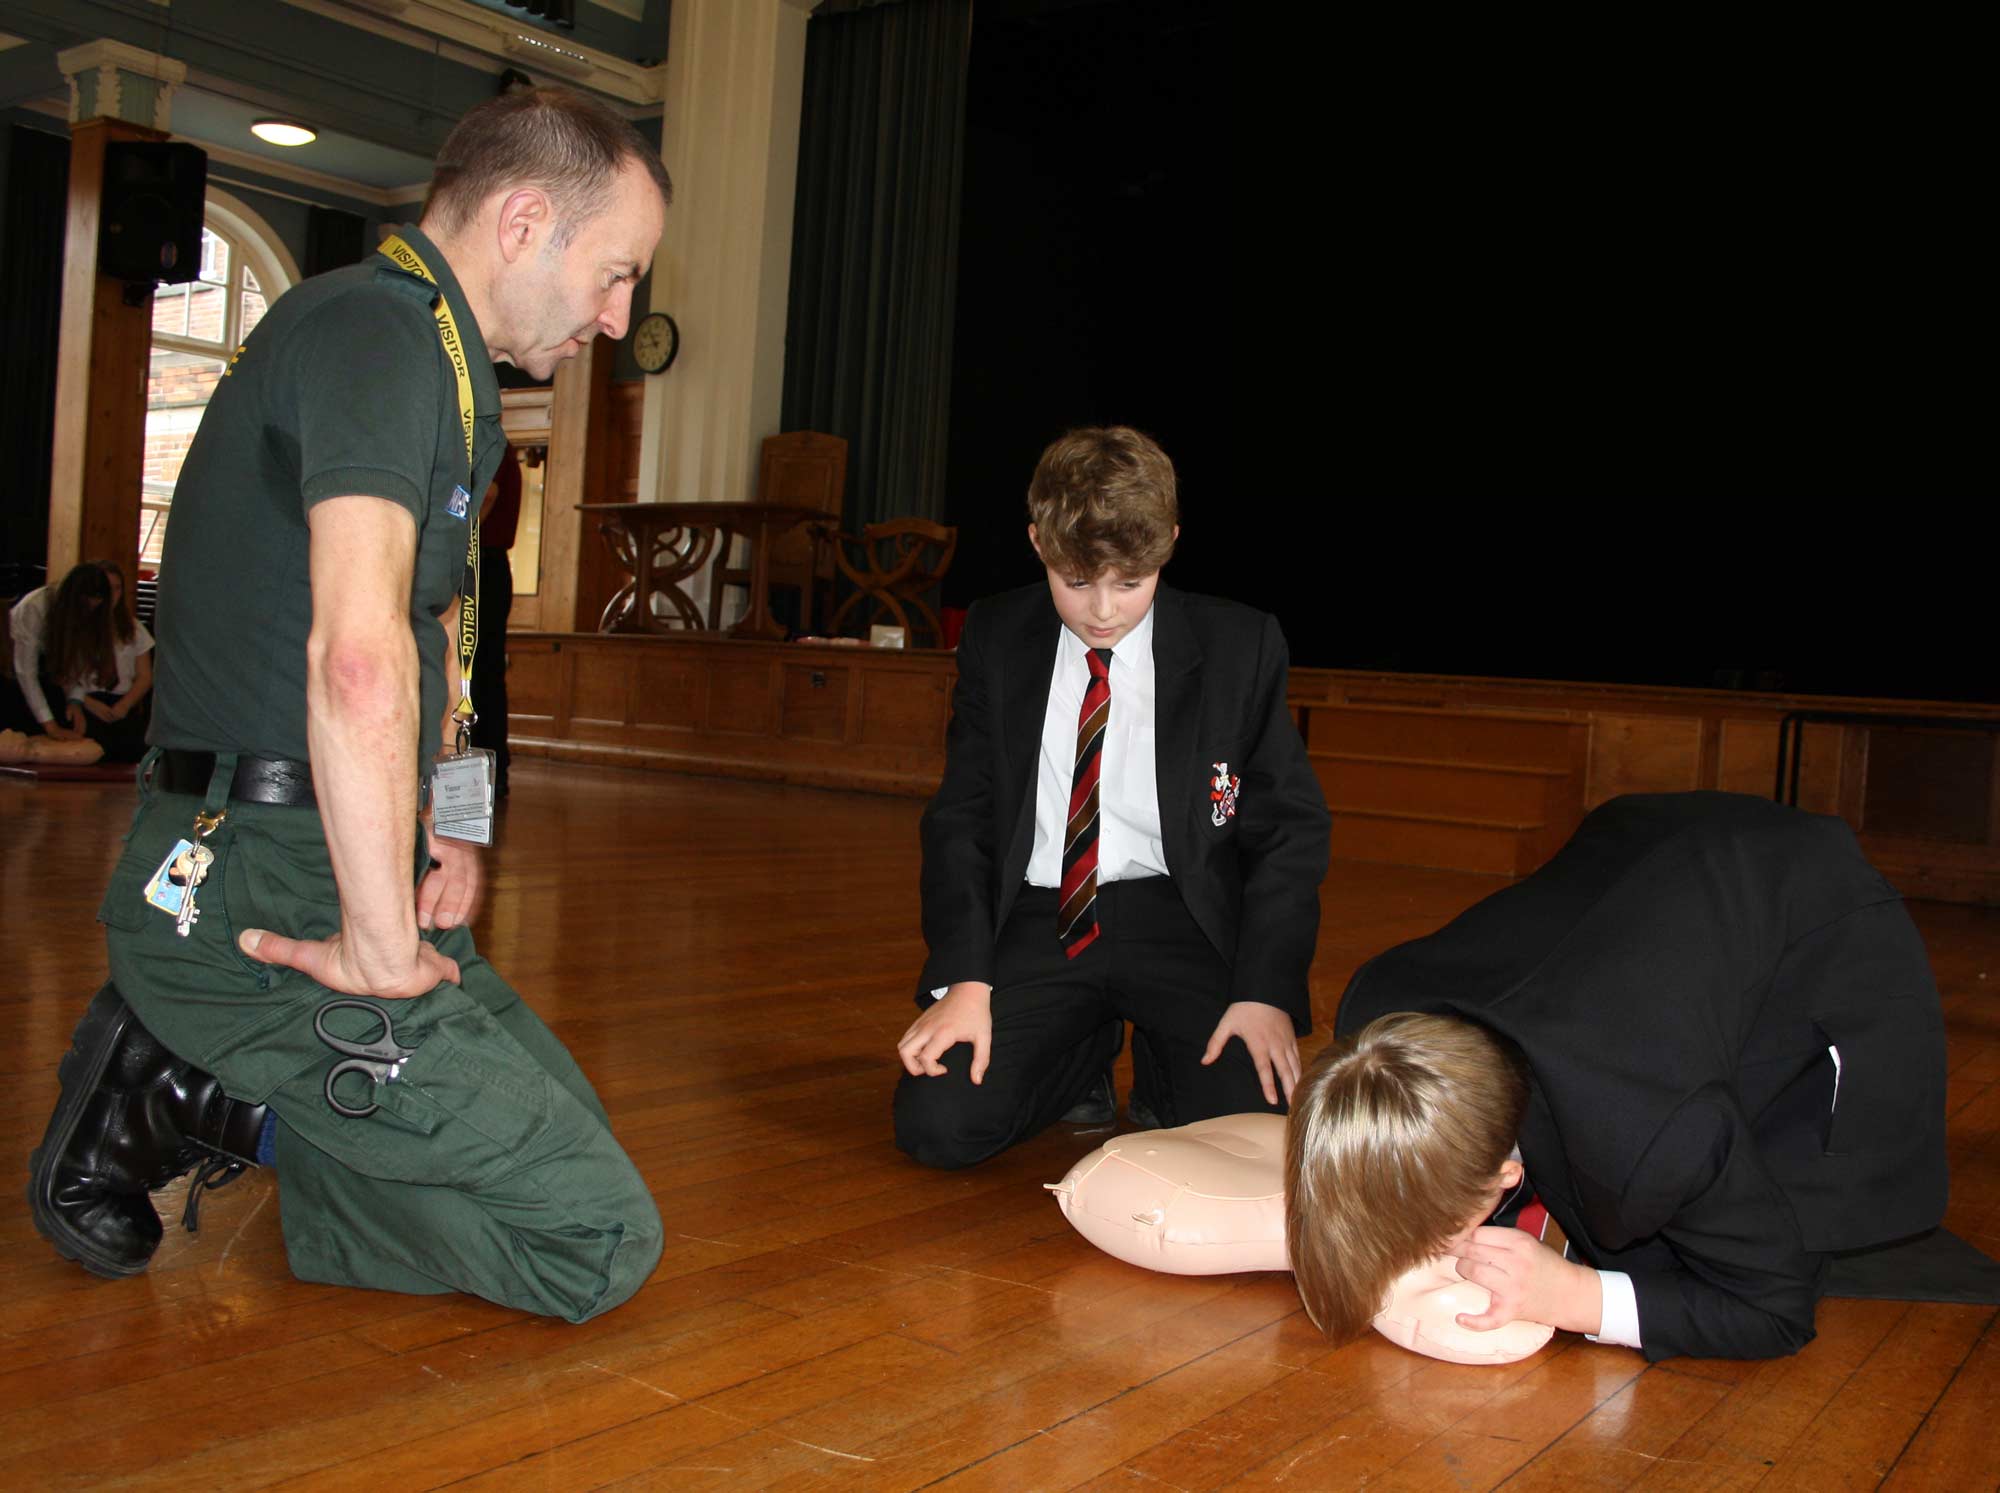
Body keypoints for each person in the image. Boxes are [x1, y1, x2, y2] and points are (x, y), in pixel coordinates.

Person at [29, 87, 673, 1323]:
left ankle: (188, 1073)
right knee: (591, 1236)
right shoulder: (376, 337)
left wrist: (450, 818)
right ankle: (203, 1094)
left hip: (340, 847)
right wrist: (380, 943)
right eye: (613, 273)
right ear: (526, 218)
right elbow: (360, 656)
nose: (616, 314)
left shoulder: (442, 367)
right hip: (254, 878)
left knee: (565, 1142)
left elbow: (441, 629)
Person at [1286, 791, 1949, 1362]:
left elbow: (1775, 1310)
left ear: (1503, 1181)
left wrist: (1578, 1297)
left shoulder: (1652, 1137)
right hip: (1640, 859)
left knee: (1692, 1246)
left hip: (1812, 901)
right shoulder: (1377, 1016)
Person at [894, 426, 1331, 1168]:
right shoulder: (998, 636)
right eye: (1076, 580)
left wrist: (1263, 991)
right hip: (1046, 912)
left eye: (1129, 583)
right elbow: (962, 818)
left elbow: (1288, 831)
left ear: (1168, 546)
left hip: (1182, 916)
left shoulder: (1240, 645)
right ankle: (1080, 1051)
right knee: (939, 1122)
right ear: (1037, 542)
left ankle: (1165, 1068)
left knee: (1255, 1132)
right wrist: (966, 980)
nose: (1102, 610)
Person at [5, 560, 153, 759]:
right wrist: (50, 726)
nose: (91, 610)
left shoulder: (93, 614)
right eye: (87, 604)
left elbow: (74, 662)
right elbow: (26, 672)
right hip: (13, 669)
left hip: (55, 672)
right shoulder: (35, 609)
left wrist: (75, 700)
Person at [471, 443, 521, 798]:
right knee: (481, 671)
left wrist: (450, 537)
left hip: (480, 564)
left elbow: (486, 495)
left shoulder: (490, 445)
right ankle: (490, 770)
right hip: (486, 565)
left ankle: (486, 769)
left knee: (477, 672)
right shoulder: (497, 446)